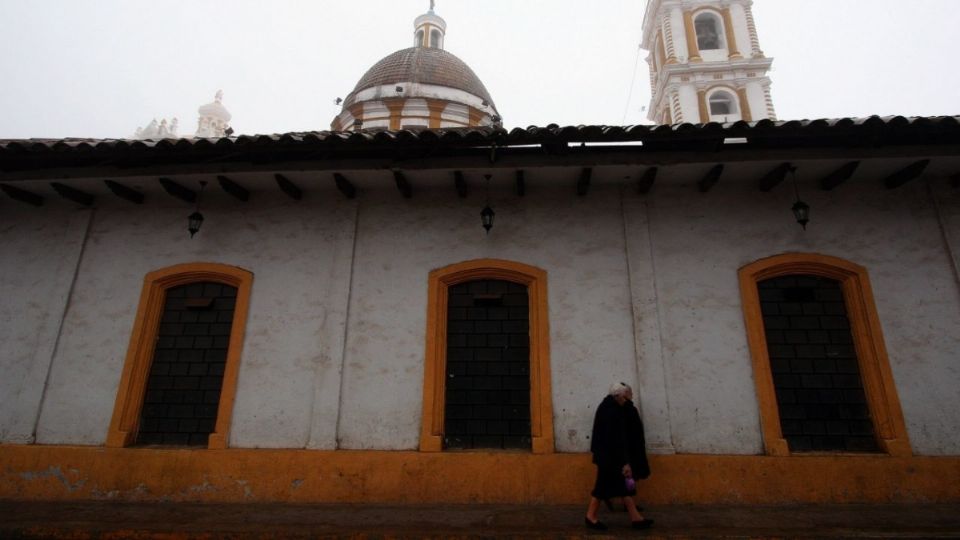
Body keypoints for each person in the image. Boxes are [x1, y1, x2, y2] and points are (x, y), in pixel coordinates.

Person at [584, 382, 653, 531]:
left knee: (621, 487)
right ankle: (590, 516)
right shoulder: (612, 412)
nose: (629, 401)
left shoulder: (610, 408)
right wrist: (625, 462)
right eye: (627, 398)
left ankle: (636, 518)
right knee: (601, 488)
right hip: (610, 458)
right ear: (619, 396)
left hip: (608, 457)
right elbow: (616, 440)